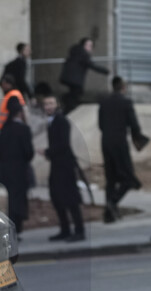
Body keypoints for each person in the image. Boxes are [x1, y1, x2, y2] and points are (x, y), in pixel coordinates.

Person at [98, 76, 145, 222]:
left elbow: (100, 124)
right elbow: (134, 125)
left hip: (105, 142)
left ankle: (108, 214)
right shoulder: (126, 102)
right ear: (123, 88)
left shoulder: (104, 103)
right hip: (120, 143)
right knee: (128, 178)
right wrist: (138, 138)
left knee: (110, 178)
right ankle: (112, 202)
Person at [43, 94, 85, 242]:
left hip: (65, 166)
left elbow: (63, 144)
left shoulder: (61, 121)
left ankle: (79, 231)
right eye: (46, 104)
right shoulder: (51, 122)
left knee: (71, 198)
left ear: (57, 105)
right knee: (57, 197)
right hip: (57, 165)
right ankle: (65, 229)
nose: (48, 106)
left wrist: (47, 152)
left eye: (51, 103)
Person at [0, 98, 34, 242]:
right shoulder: (24, 129)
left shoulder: (4, 129)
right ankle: (16, 230)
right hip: (20, 171)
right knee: (18, 201)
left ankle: (10, 231)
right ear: (19, 113)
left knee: (10, 201)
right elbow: (28, 152)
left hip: (6, 171)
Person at [59, 37, 108, 113]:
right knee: (76, 94)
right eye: (89, 45)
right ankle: (67, 106)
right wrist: (105, 71)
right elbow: (91, 65)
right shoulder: (83, 53)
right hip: (75, 79)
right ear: (84, 45)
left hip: (69, 77)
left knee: (74, 93)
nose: (91, 48)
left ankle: (68, 105)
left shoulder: (75, 51)